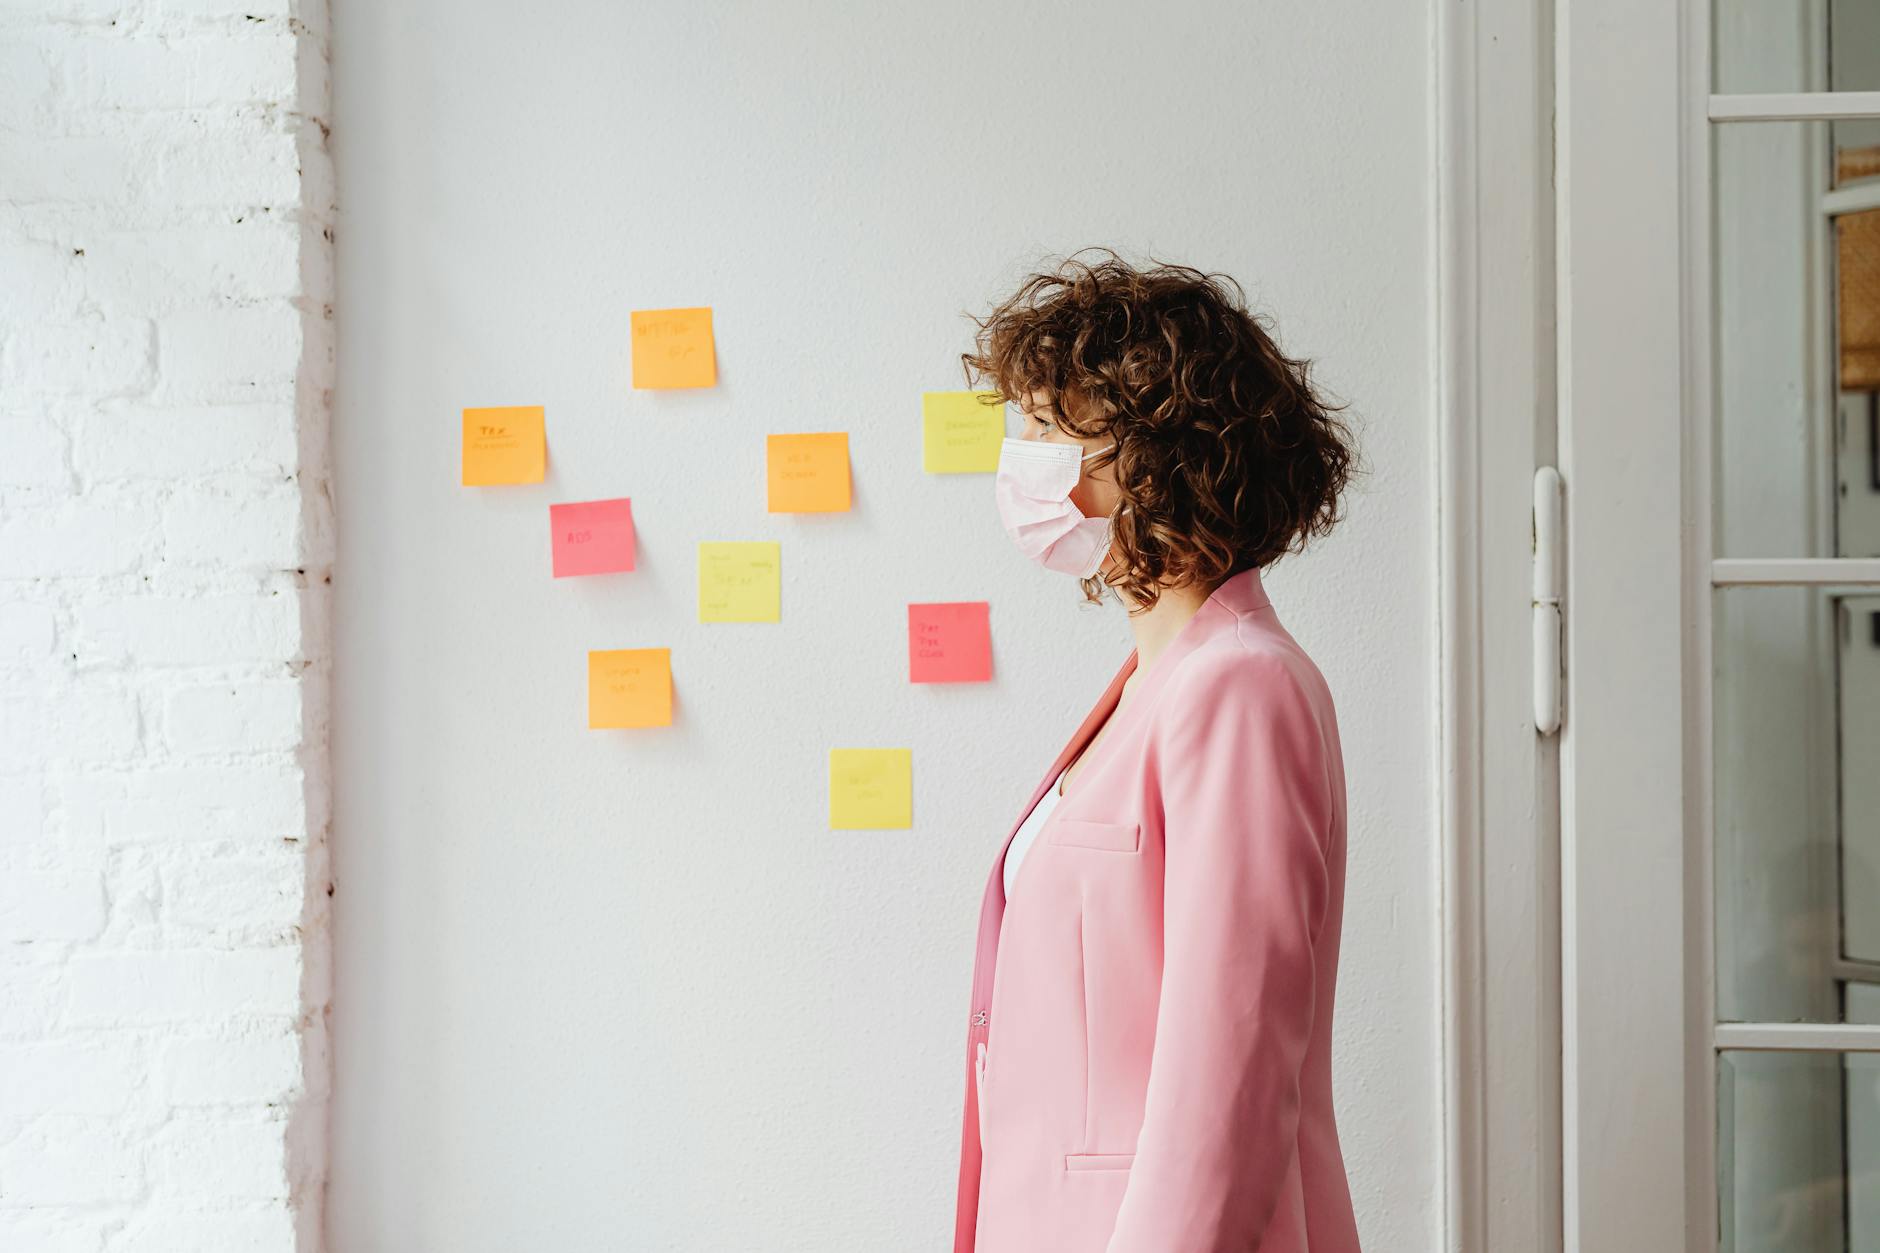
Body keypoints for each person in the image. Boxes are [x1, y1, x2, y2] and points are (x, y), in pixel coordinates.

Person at [952, 248, 1365, 1253]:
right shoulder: (1157, 685)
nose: (1022, 457)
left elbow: (1226, 1076)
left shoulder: (1240, 685)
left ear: (1160, 455)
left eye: (1050, 429)